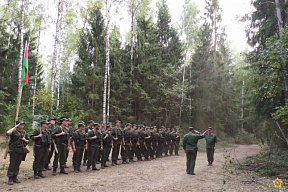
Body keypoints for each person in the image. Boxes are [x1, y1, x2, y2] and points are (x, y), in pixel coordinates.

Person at [6, 120, 29, 185]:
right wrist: (14, 127)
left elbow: (27, 140)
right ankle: (10, 178)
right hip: (14, 150)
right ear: (17, 125)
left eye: (22, 124)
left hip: (21, 150)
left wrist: (26, 140)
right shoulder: (13, 131)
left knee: (18, 164)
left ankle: (15, 177)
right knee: (12, 164)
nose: (22, 126)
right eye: (20, 124)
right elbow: (8, 133)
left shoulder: (24, 132)